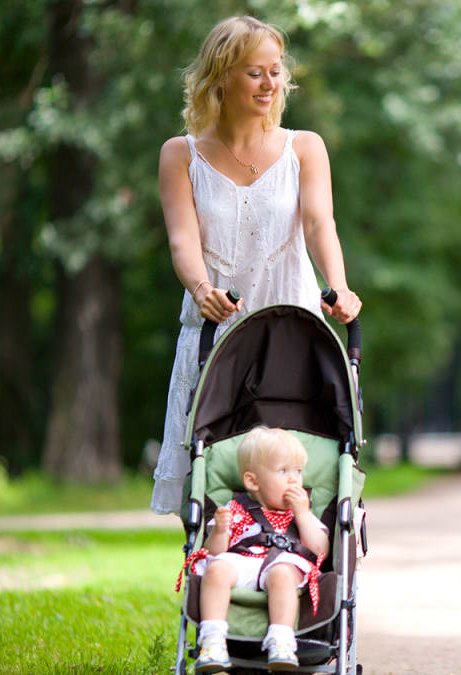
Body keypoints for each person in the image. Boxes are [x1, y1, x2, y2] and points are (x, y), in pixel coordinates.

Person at [152, 16, 361, 516]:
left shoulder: (303, 147)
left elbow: (318, 224)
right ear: (220, 76)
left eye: (276, 71)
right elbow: (183, 241)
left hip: (290, 326)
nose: (271, 84)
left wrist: (340, 285)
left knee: (292, 462)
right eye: (255, 73)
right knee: (213, 465)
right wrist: (200, 288)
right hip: (216, 329)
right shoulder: (181, 155)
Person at [192, 426, 329, 672]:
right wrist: (220, 531)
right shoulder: (234, 508)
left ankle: (282, 641)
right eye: (283, 471)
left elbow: (319, 550)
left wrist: (303, 513)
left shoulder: (300, 513)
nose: (294, 479)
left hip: (284, 562)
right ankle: (212, 640)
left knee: (282, 574)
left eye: (298, 471)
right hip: (243, 560)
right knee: (217, 569)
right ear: (252, 481)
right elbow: (213, 551)